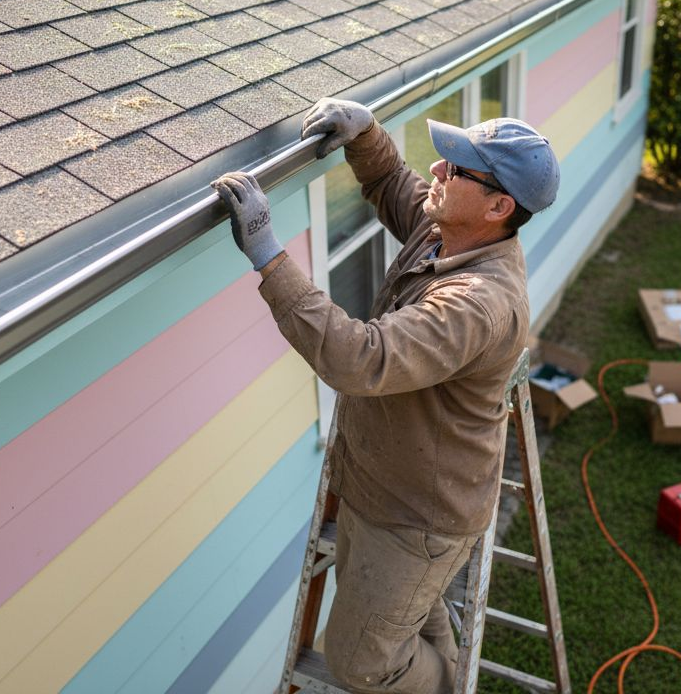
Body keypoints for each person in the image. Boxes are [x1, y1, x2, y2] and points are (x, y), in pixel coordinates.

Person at [211, 97, 560, 693]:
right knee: (408, 614)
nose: (439, 172)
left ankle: (445, 686)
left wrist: (269, 256)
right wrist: (364, 131)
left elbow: (361, 358)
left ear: (500, 206)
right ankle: (443, 659)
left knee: (360, 661)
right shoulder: (449, 229)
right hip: (387, 483)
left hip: (417, 516)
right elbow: (393, 183)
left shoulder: (479, 301)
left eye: (457, 170)